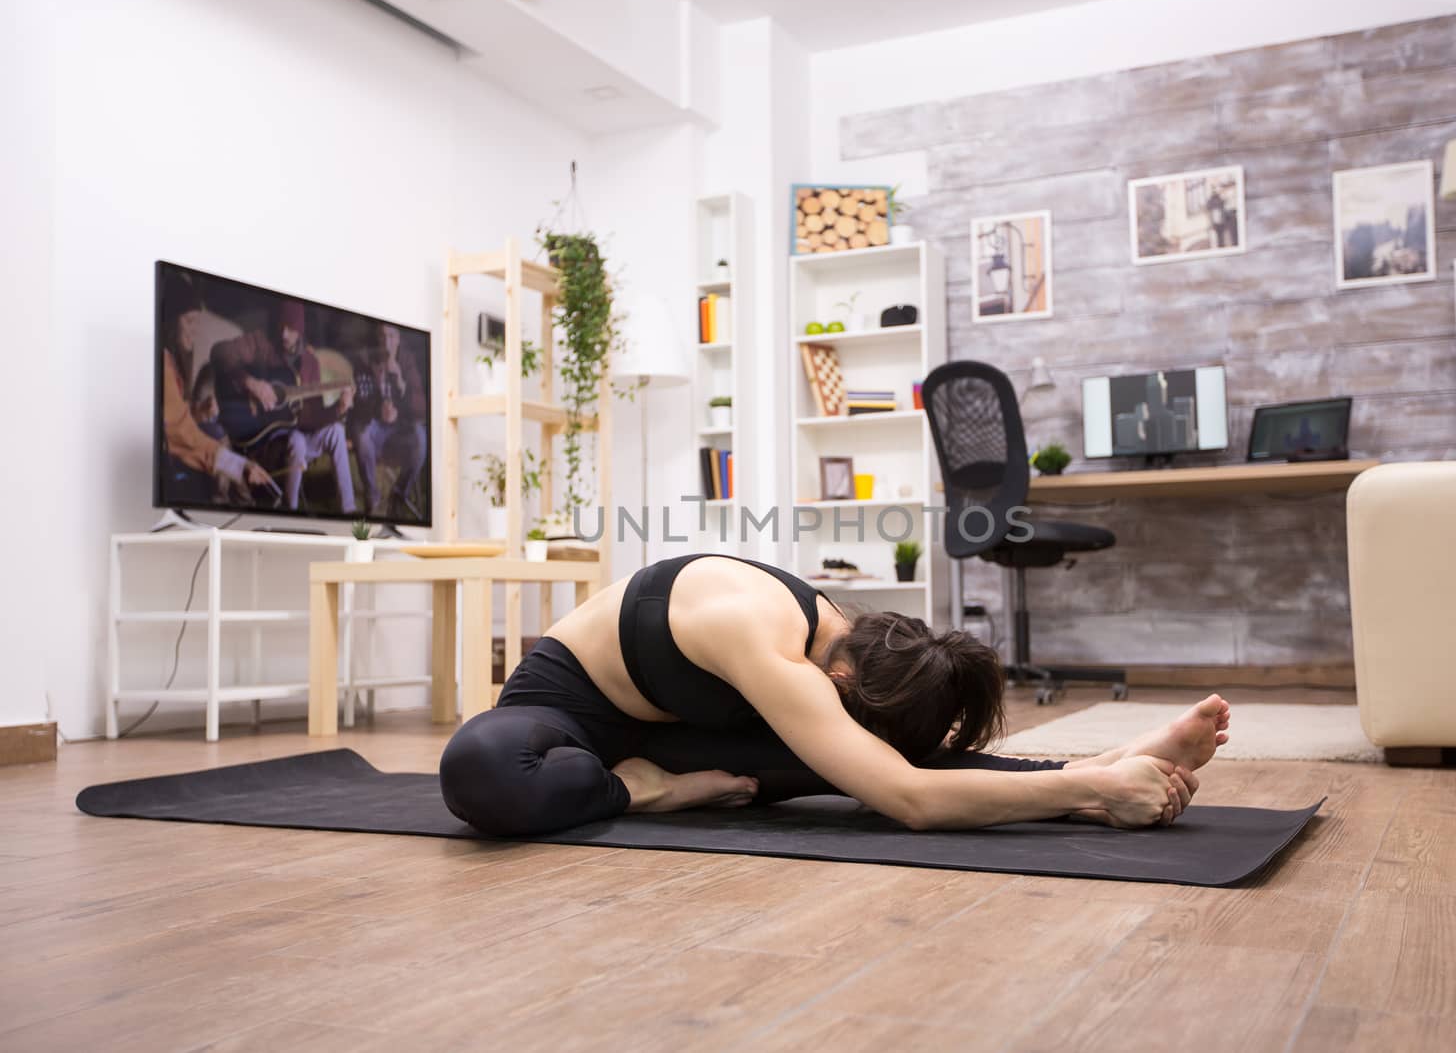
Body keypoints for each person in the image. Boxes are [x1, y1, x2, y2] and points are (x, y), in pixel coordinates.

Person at [438, 554, 1230, 838]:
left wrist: (1094, 778)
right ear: (840, 680)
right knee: (481, 767)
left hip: (685, 736)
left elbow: (899, 773)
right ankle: (638, 794)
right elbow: (911, 799)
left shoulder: (857, 643)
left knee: (867, 767)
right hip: (566, 718)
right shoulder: (762, 641)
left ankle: (1109, 765)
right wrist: (1092, 789)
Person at [211, 299, 356, 513]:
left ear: (300, 329)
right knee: (296, 440)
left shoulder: (310, 362)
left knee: (336, 431)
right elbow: (219, 352)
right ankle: (290, 511)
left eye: (290, 328)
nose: (284, 334)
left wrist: (338, 410)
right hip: (268, 439)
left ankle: (350, 513)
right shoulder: (261, 343)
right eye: (281, 326)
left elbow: (311, 416)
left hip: (298, 433)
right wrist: (251, 383)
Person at [158, 272, 276, 504]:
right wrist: (239, 465)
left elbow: (173, 421)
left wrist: (197, 412)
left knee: (214, 430)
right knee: (218, 436)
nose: (195, 331)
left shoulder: (171, 361)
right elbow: (182, 435)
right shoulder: (163, 363)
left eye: (197, 322)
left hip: (193, 450)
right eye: (189, 321)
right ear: (170, 321)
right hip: (180, 462)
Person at [352, 323, 427, 520]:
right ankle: (373, 497)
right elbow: (357, 407)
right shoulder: (365, 361)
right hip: (375, 430)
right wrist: (377, 403)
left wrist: (401, 384)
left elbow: (421, 408)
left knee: (420, 436)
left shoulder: (407, 361)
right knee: (361, 433)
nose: (387, 343)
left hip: (399, 434)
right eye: (382, 336)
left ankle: (399, 495)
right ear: (377, 338)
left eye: (392, 336)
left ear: (399, 339)